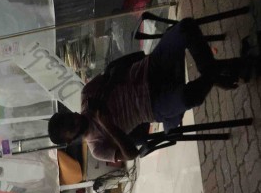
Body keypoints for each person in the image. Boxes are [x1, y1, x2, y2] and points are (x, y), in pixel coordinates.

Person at [47, 18, 253, 162]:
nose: (76, 119)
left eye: (71, 116)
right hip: (152, 105)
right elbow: (131, 154)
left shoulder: (87, 95)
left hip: (148, 69)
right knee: (189, 97)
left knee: (185, 27)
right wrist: (108, 125)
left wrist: (107, 90)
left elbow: (115, 70)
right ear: (70, 139)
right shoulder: (97, 147)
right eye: (72, 126)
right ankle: (224, 71)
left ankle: (217, 74)